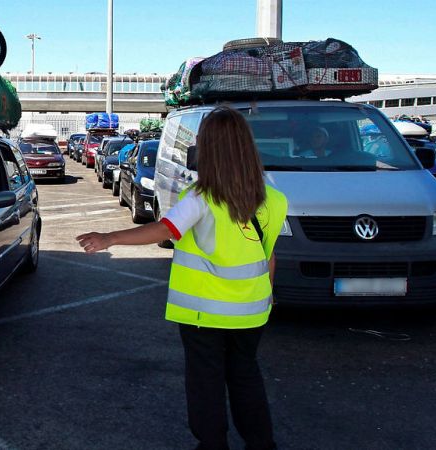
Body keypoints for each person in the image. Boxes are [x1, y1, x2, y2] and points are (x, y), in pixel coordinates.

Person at [77, 107, 287, 450]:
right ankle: (262, 444)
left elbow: (164, 229)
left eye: (202, 139)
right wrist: (268, 299)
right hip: (252, 312)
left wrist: (109, 238)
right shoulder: (274, 200)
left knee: (206, 383)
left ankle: (213, 445)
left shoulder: (203, 198)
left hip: (205, 315)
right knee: (246, 378)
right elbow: (269, 255)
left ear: (211, 149)